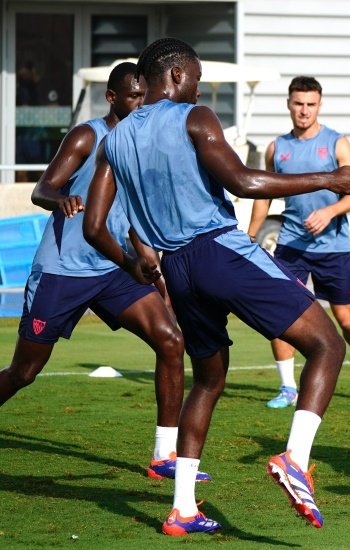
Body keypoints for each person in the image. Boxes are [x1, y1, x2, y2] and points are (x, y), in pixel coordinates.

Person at [83, 38, 350, 536]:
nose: (197, 87)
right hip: (218, 251)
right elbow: (243, 182)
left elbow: (94, 224)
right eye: (193, 77)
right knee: (326, 345)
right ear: (173, 75)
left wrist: (134, 262)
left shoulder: (116, 139)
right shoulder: (194, 117)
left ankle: (183, 509)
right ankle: (296, 460)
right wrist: (331, 177)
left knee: (209, 380)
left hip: (177, 271)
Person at [0, 61, 210, 482]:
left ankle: (163, 455)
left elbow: (136, 215)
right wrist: (60, 200)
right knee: (25, 372)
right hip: (64, 271)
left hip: (115, 267)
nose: (140, 103)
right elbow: (43, 187)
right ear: (112, 98)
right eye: (132, 96)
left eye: (144, 95)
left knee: (171, 340)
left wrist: (151, 263)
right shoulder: (87, 135)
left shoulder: (144, 145)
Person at [247, 76, 350, 407]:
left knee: (346, 320)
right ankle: (288, 387)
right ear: (288, 104)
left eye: (310, 104)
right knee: (281, 316)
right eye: (298, 103)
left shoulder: (336, 143)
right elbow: (265, 195)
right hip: (290, 245)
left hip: (333, 248)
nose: (304, 111)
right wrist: (250, 235)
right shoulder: (277, 148)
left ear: (320, 105)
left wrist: (330, 211)